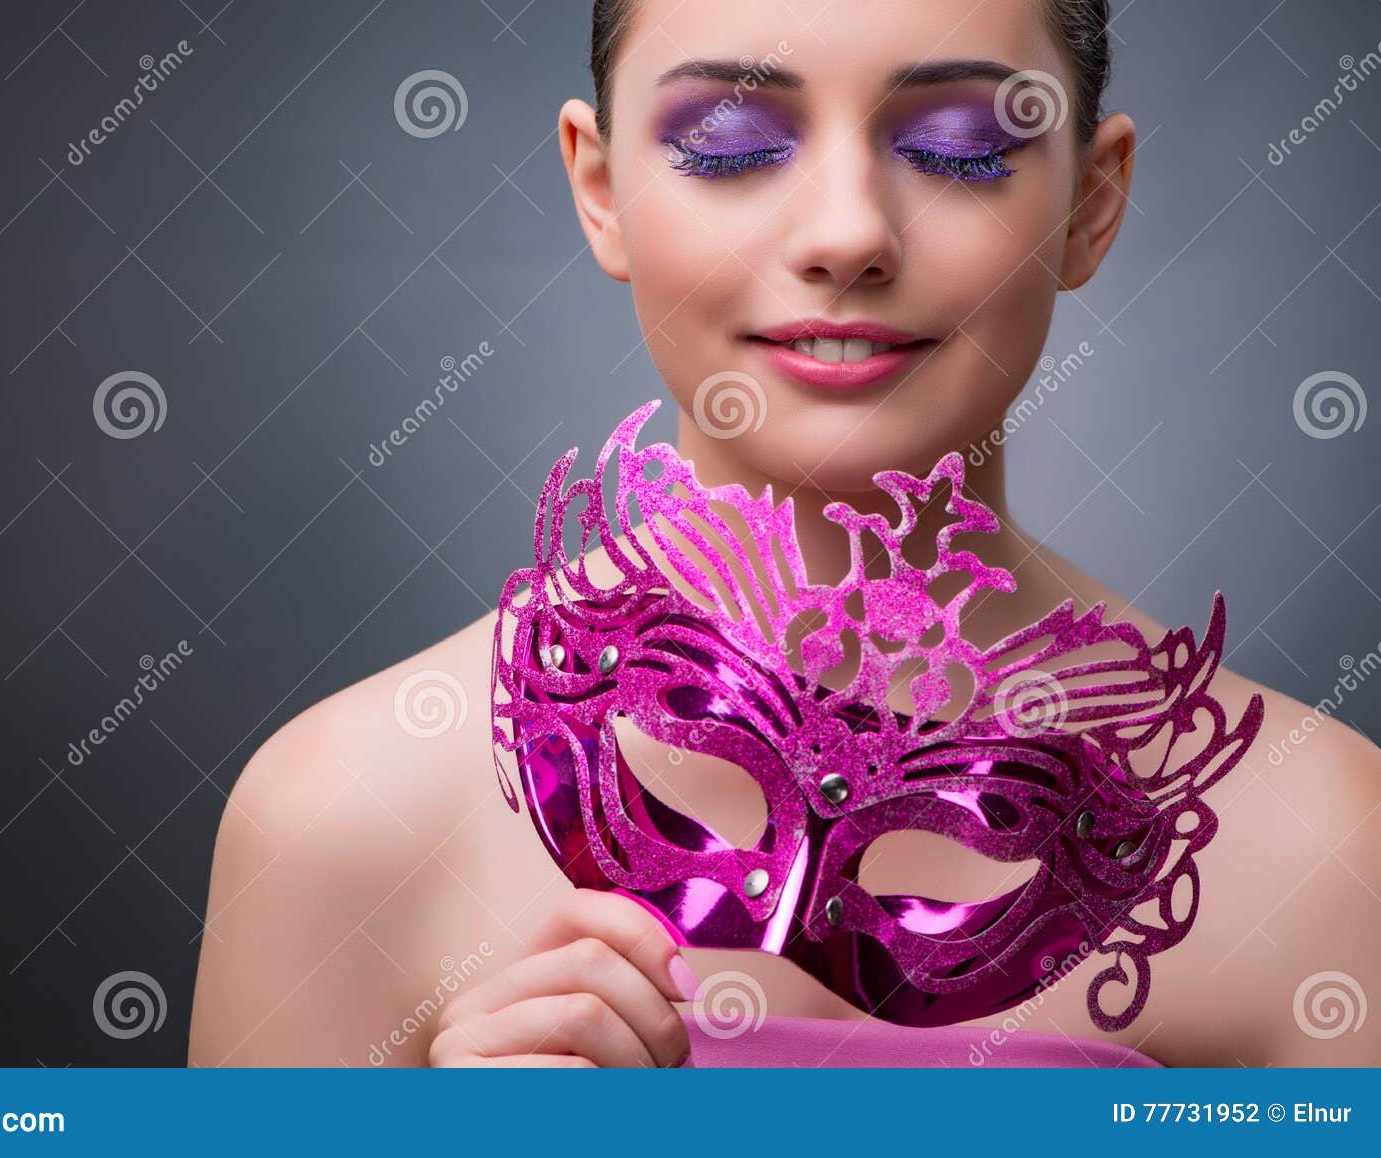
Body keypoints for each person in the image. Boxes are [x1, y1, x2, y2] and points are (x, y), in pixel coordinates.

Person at [188, 0, 1381, 1067]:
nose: (847, 232)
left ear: (1091, 203)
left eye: (960, 147)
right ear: (599, 189)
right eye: (732, 146)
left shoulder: (1326, 846)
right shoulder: (344, 820)